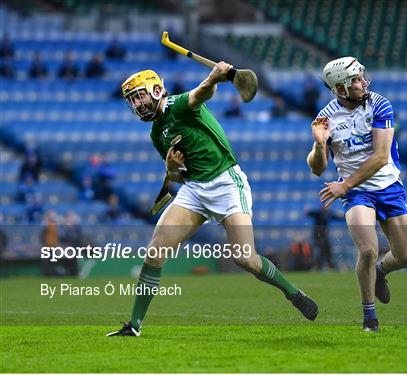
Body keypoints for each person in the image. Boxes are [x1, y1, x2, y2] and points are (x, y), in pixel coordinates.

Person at [107, 65, 318, 337]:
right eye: (132, 101)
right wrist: (171, 169)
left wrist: (216, 76)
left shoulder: (179, 104)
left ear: (156, 90)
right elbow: (179, 176)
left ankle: (293, 293)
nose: (137, 104)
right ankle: (134, 325)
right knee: (155, 252)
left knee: (245, 259)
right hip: (195, 188)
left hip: (227, 183)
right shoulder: (156, 133)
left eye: (139, 96)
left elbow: (203, 93)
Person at [307, 57, 407, 332]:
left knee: (406, 257)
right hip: (357, 194)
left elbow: (380, 156)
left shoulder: (380, 104)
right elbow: (317, 169)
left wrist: (343, 185)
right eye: (354, 80)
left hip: (389, 186)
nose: (362, 82)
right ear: (341, 89)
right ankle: (370, 318)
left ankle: (381, 272)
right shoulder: (326, 117)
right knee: (368, 250)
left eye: (360, 76)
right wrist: (320, 146)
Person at [306, 205, 342, 270]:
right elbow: (310, 213)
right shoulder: (318, 213)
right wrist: (307, 210)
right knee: (321, 250)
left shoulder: (329, 214)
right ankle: (319, 265)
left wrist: (345, 216)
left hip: (324, 236)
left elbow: (337, 217)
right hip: (317, 236)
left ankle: (327, 264)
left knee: (327, 249)